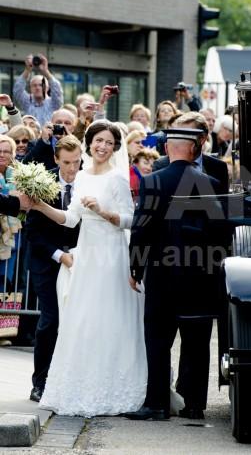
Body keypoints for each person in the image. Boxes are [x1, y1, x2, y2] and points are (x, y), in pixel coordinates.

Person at [32, 121, 147, 416]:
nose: (102, 146)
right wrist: (39, 206)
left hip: (111, 254)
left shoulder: (117, 178)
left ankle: (114, 387)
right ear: (90, 143)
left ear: (114, 148)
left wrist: (102, 212)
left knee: (110, 318)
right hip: (87, 256)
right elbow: (70, 218)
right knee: (82, 320)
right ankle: (79, 386)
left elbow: (130, 219)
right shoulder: (81, 176)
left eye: (108, 142)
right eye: (98, 141)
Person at [127, 127, 225, 421]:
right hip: (200, 273)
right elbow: (220, 231)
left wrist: (136, 265)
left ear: (169, 148)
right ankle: (194, 404)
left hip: (162, 272)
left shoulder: (154, 180)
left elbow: (141, 226)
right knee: (196, 340)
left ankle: (156, 403)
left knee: (158, 339)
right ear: (195, 149)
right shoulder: (210, 182)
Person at [25, 135, 82, 402]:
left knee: (78, 322)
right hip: (46, 261)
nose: (72, 168)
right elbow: (33, 232)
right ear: (57, 160)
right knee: (50, 320)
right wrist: (60, 255)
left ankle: (70, 378)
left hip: (81, 261)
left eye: (77, 162)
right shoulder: (43, 182)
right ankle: (40, 382)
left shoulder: (86, 181)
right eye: (67, 162)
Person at [153, 112, 229, 193]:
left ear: (202, 138)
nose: (181, 139)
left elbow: (223, 202)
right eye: (179, 134)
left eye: (187, 135)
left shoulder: (219, 167)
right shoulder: (161, 165)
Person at [13, 54, 63, 125]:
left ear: (48, 88)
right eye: (34, 85)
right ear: (30, 88)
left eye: (41, 85)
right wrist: (27, 70)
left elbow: (57, 89)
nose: (38, 87)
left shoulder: (54, 104)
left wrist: (46, 71)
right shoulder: (27, 102)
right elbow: (17, 90)